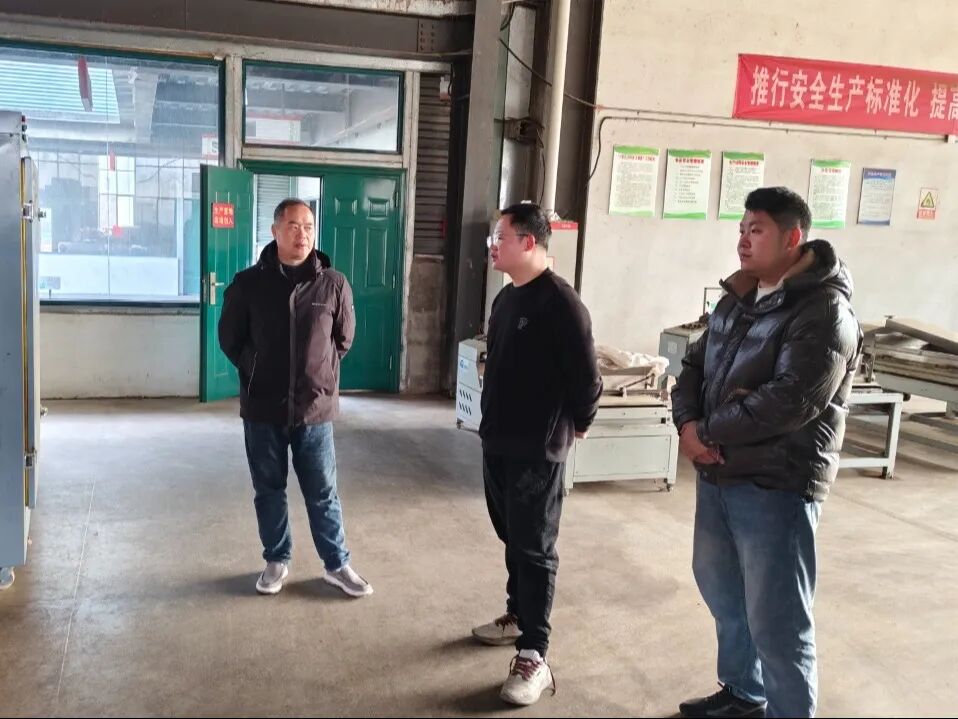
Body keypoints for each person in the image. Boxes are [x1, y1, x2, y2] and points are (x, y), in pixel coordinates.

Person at [671, 187, 861, 718]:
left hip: (777, 483)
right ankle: (744, 692)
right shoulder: (739, 297)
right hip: (720, 474)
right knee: (724, 592)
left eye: (756, 230)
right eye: (741, 229)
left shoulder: (824, 310)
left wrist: (707, 433)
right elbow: (693, 366)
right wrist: (687, 423)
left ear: (792, 237)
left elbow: (790, 401)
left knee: (777, 618)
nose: (743, 241)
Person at [471, 203, 603, 706]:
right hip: (499, 441)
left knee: (535, 547)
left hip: (536, 449)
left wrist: (579, 423)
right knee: (513, 536)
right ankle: (518, 614)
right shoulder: (507, 298)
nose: (492, 246)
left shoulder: (561, 303)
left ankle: (535, 653)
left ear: (528, 242)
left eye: (500, 237)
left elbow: (586, 379)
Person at [218, 198, 372, 599]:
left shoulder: (333, 284)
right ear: (274, 231)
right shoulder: (248, 283)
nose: (301, 234)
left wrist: (318, 374)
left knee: (323, 492)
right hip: (263, 409)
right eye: (292, 226)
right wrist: (257, 369)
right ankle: (276, 559)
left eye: (308, 226)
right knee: (268, 489)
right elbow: (230, 338)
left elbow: (343, 339)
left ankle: (336, 564)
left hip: (314, 410)